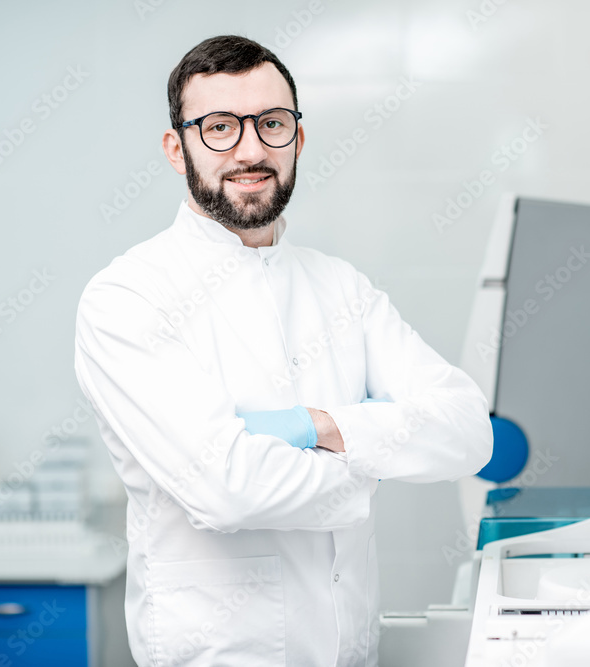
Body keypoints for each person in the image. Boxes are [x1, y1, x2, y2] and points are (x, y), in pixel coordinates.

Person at [73, 35, 492, 667]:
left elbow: (467, 431)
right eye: (219, 127)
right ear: (175, 148)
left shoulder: (341, 287)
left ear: (297, 138)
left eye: (270, 124)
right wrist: (374, 457)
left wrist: (320, 427)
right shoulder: (128, 298)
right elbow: (226, 489)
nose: (249, 149)